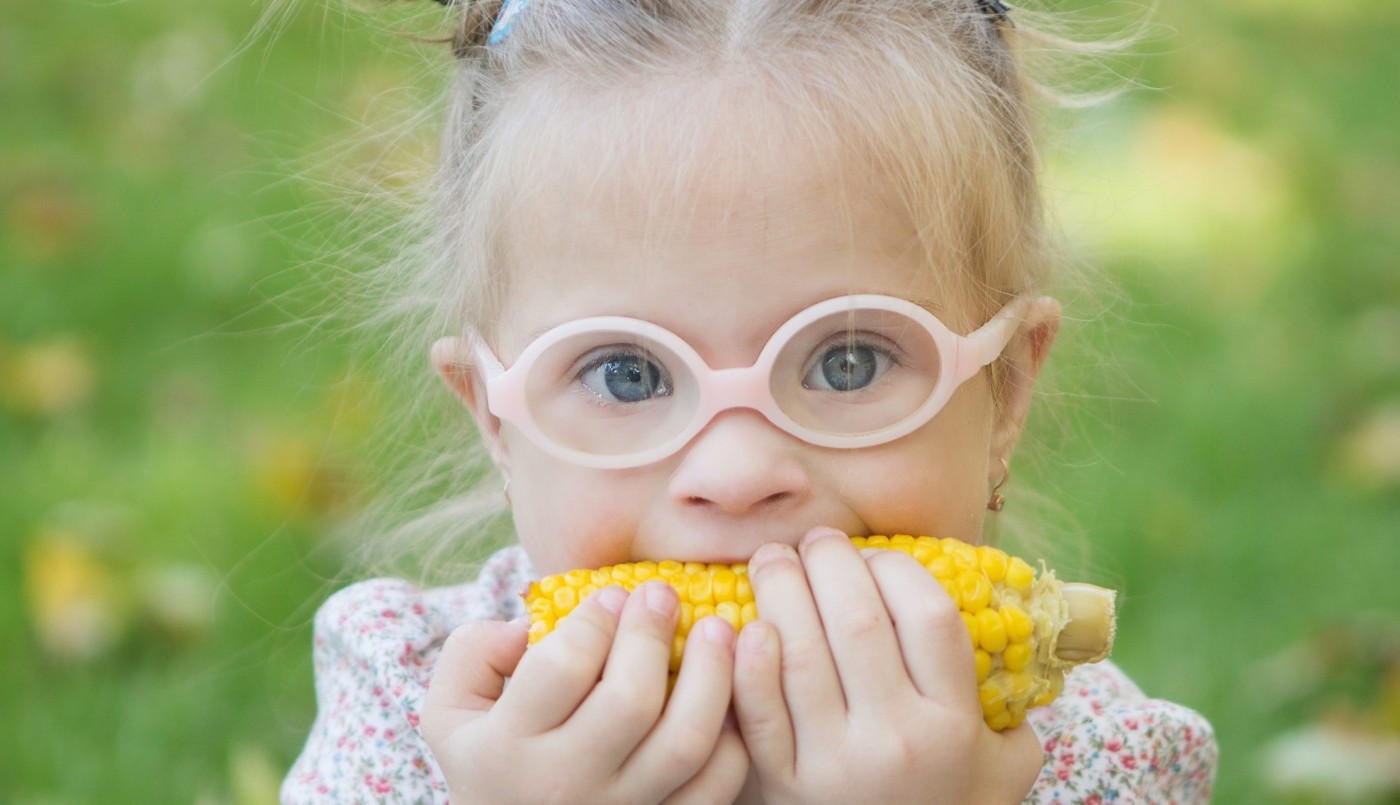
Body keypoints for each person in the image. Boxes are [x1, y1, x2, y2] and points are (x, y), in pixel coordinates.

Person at [282, 0, 1218, 801]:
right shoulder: (409, 709)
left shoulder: (1091, 753)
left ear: (1004, 390)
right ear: (495, 417)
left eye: (847, 362)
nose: (736, 475)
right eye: (626, 374)